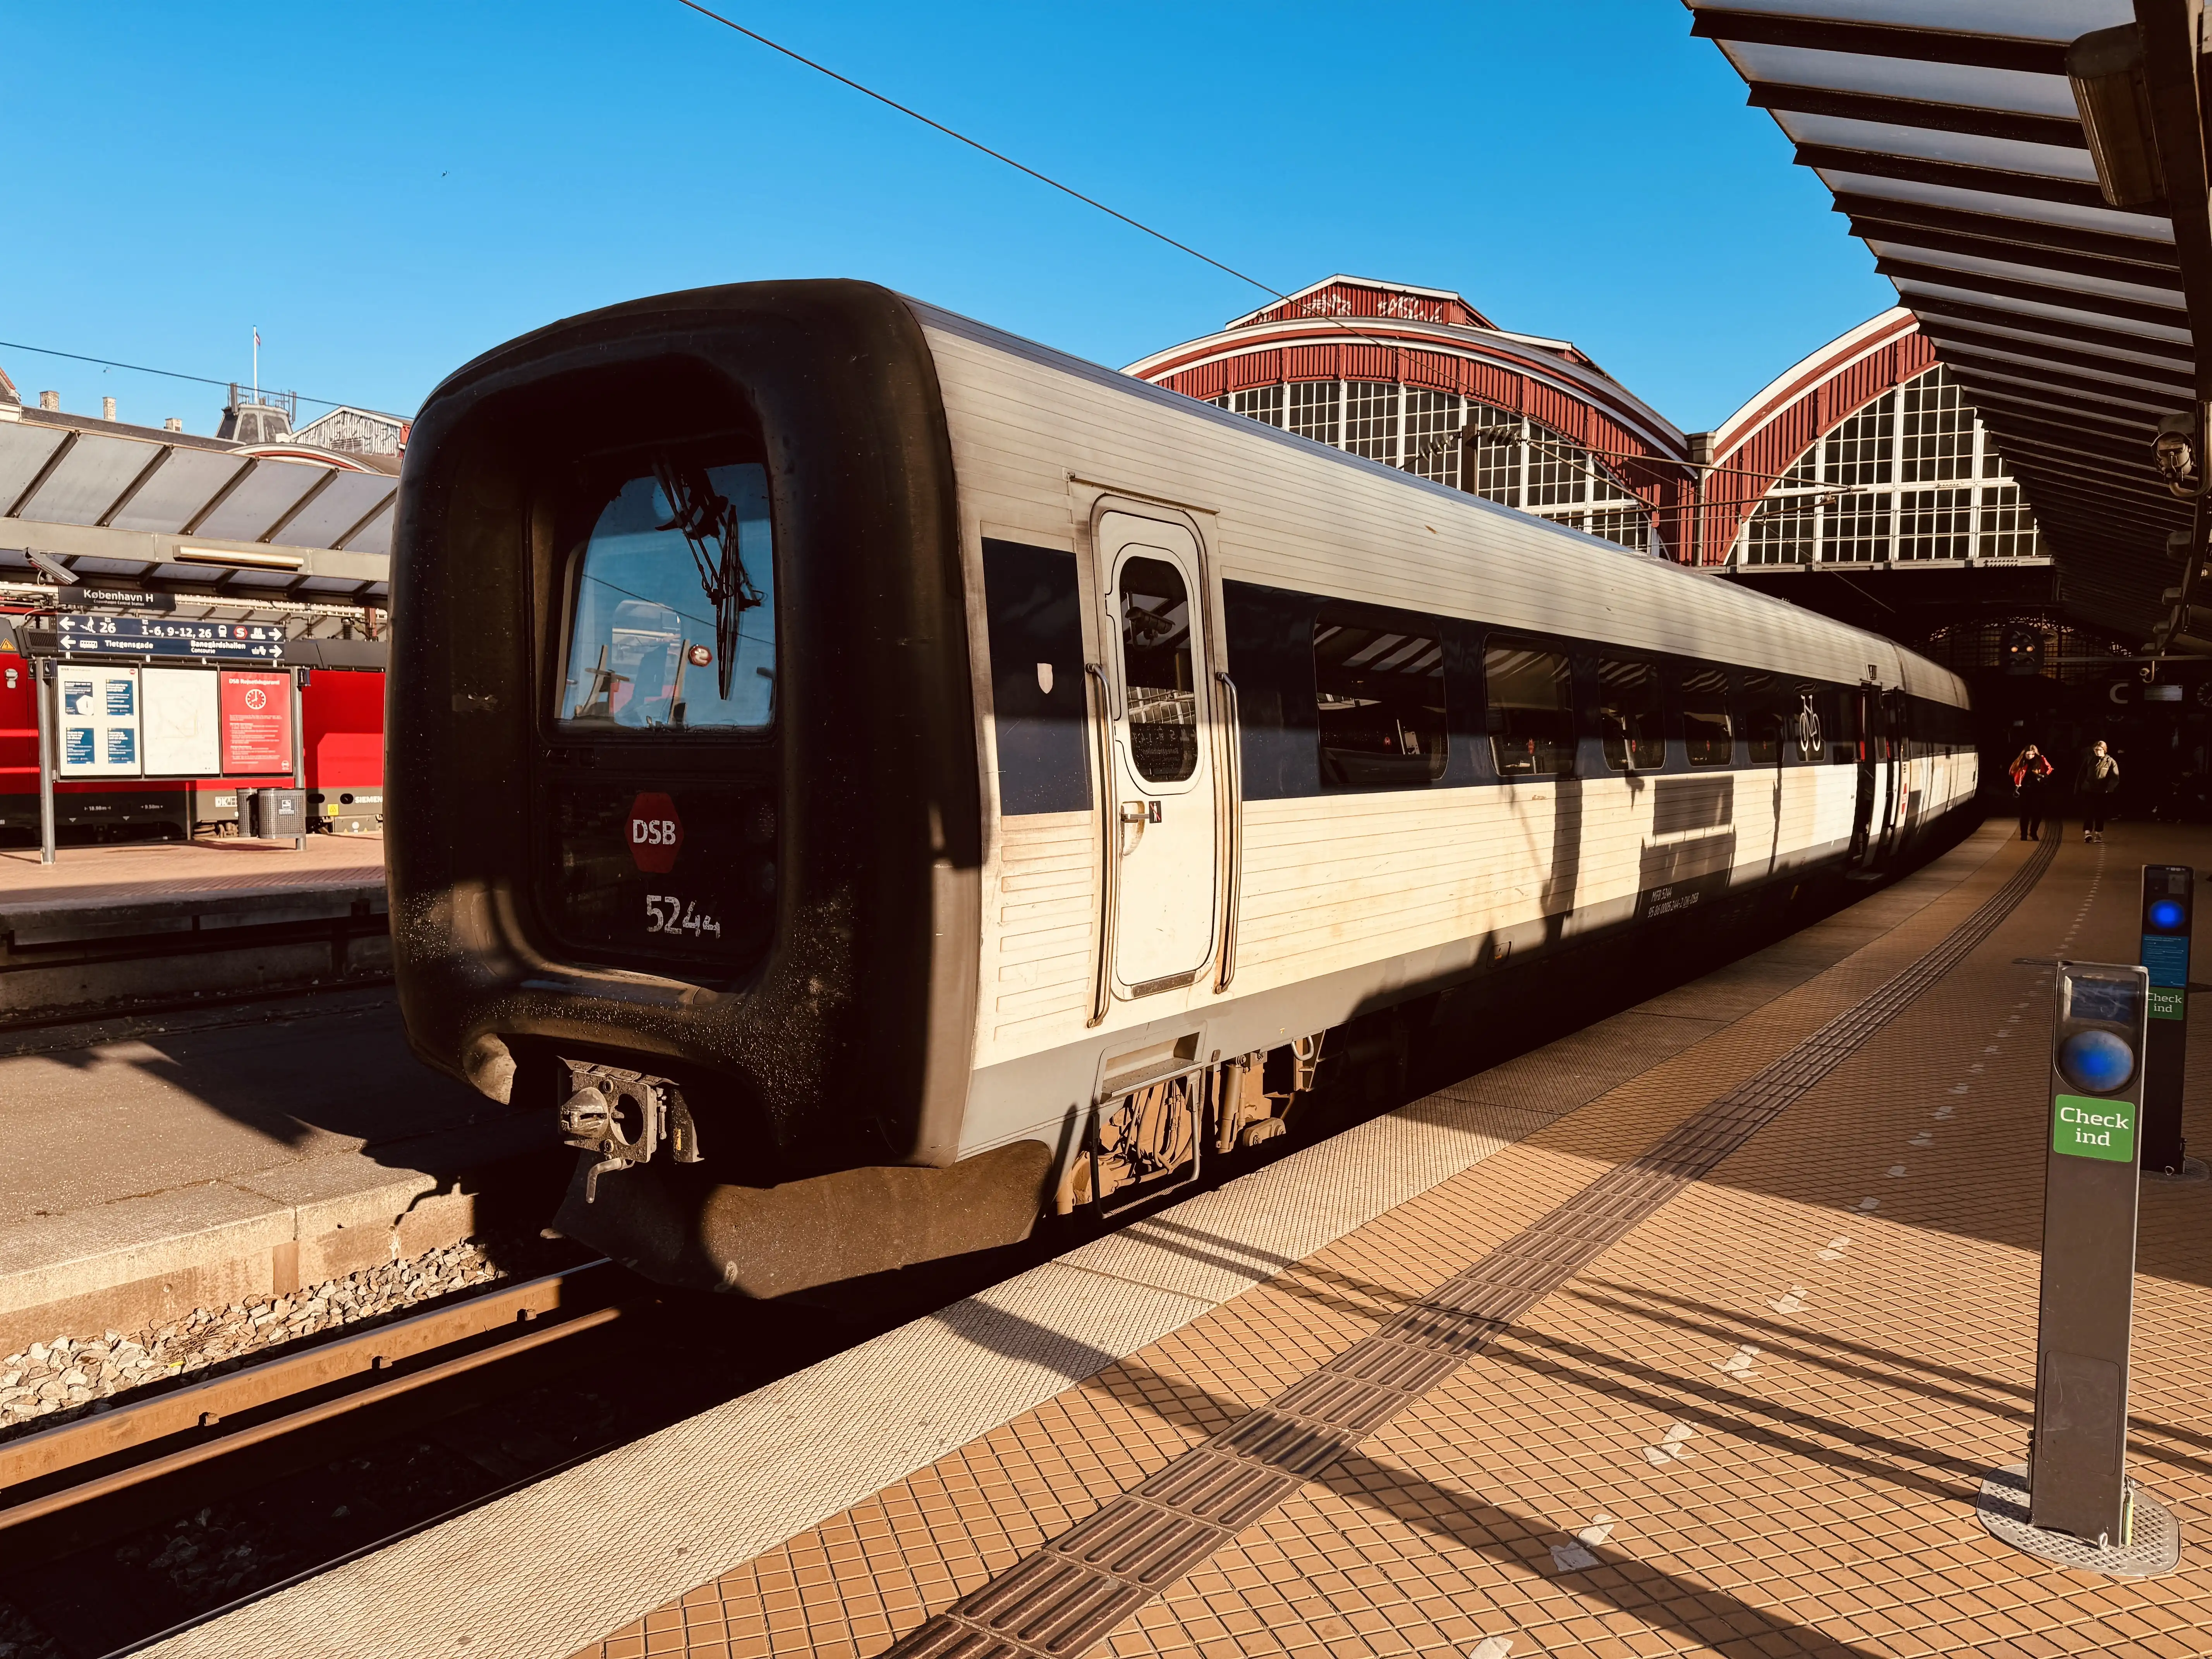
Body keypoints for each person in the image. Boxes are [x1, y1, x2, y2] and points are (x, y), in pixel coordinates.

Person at [2077, 740, 2121, 842]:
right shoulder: (2089, 759)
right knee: (2088, 812)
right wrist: (2079, 787)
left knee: (2100, 813)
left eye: (2099, 750)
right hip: (2089, 790)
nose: (2097, 752)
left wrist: (2109, 789)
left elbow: (2115, 777)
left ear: (2104, 750)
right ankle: (2088, 832)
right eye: (2096, 750)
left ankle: (2099, 833)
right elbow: (2082, 774)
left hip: (2102, 791)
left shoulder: (2110, 761)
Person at [2010, 744, 2054, 841]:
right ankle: (2024, 834)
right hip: (2024, 790)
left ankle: (2033, 832)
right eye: (2028, 754)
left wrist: (2041, 776)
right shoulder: (2021, 761)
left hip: (2038, 790)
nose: (2030, 756)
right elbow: (2013, 771)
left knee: (2038, 814)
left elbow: (2048, 770)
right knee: (2025, 814)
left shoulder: (2040, 760)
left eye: (2032, 754)